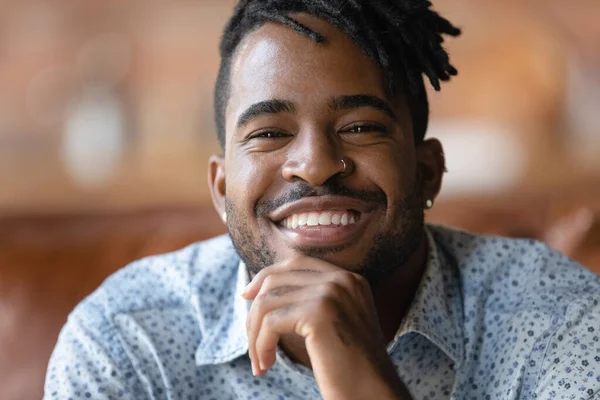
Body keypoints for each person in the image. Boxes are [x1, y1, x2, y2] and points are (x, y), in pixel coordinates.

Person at [44, 1, 600, 399]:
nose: (313, 164)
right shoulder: (125, 338)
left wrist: (365, 385)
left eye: (359, 127)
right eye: (268, 133)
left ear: (428, 173)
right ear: (220, 189)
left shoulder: (556, 316)